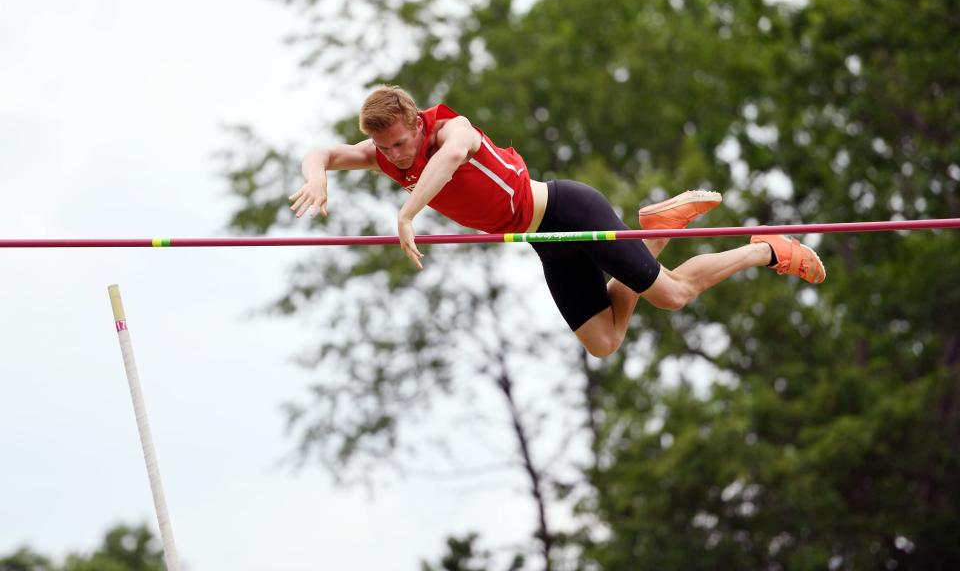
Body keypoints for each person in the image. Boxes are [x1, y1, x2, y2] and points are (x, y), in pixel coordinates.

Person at [289, 86, 826, 358]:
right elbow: (324, 152)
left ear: (414, 121)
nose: (397, 156)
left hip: (569, 212)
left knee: (674, 295)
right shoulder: (386, 152)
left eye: (401, 142)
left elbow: (449, 163)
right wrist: (317, 177)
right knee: (604, 343)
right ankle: (657, 227)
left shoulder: (451, 131)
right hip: (548, 243)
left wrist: (407, 212)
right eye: (385, 148)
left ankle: (767, 248)